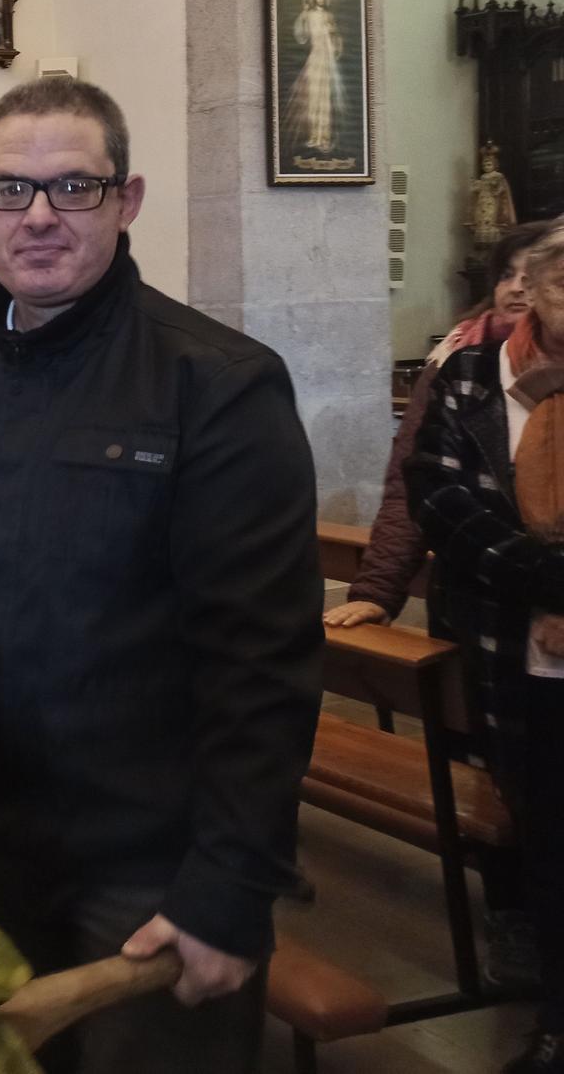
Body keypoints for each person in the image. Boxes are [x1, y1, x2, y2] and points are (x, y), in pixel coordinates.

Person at [0, 78, 321, 1073]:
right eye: (9, 189)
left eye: (72, 186)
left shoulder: (214, 382)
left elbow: (261, 662)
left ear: (124, 201)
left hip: (150, 861)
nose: (37, 215)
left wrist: (229, 884)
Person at [407, 222, 564, 1074]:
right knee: (546, 838)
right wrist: (543, 574)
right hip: (517, 651)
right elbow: (437, 495)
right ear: (533, 288)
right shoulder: (474, 377)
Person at [329, 219, 548, 631]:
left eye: (533, 275)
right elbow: (413, 485)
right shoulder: (457, 366)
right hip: (476, 596)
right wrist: (377, 590)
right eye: (507, 275)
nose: (517, 287)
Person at [284, 0, 343, 157]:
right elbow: (301, 37)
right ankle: (313, 137)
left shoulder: (329, 16)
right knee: (312, 99)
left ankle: (324, 138)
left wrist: (333, 37)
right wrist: (303, 14)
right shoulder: (309, 15)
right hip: (315, 58)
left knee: (324, 100)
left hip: (326, 60)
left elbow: (336, 41)